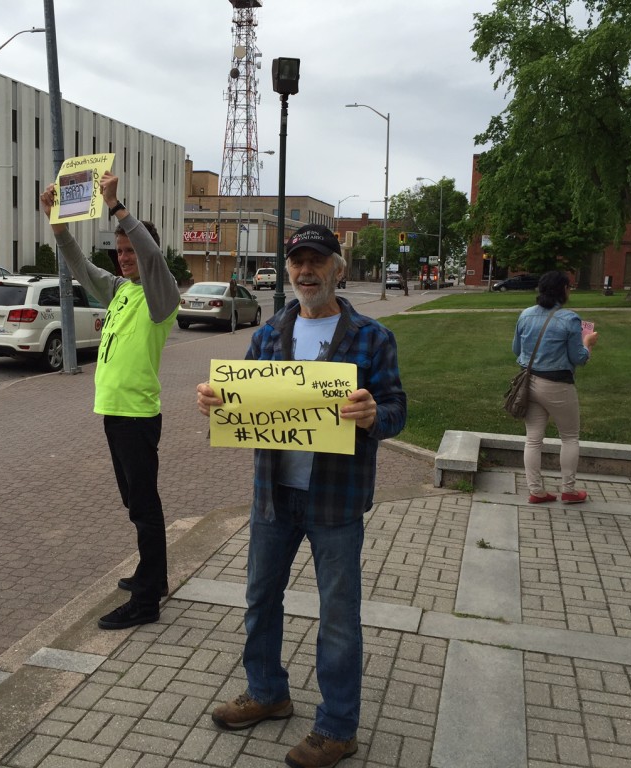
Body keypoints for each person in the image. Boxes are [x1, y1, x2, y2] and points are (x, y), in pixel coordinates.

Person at [196, 224, 407, 768]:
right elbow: (241, 400)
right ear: (288, 270)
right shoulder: (270, 334)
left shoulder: (371, 337)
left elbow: (396, 411)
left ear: (338, 267)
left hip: (335, 501)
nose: (306, 272)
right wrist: (217, 403)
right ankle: (268, 693)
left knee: (338, 614)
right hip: (273, 496)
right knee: (260, 600)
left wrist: (372, 417)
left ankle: (338, 727)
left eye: (317, 261)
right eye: (297, 263)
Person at [40, 172, 178, 630]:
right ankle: (151, 577)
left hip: (137, 416)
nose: (123, 259)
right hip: (115, 415)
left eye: (129, 252)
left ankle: (146, 601)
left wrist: (117, 206)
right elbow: (81, 268)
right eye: (118, 252)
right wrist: (58, 226)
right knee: (135, 503)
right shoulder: (120, 292)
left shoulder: (160, 296)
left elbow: (154, 255)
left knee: (144, 506)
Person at [512, 270, 598, 504]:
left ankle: (536, 491)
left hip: (529, 383)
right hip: (558, 384)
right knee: (570, 437)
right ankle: (569, 490)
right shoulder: (570, 319)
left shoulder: (525, 315)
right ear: (563, 290)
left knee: (533, 439)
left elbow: (516, 350)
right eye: (569, 287)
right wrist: (588, 344)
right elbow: (578, 357)